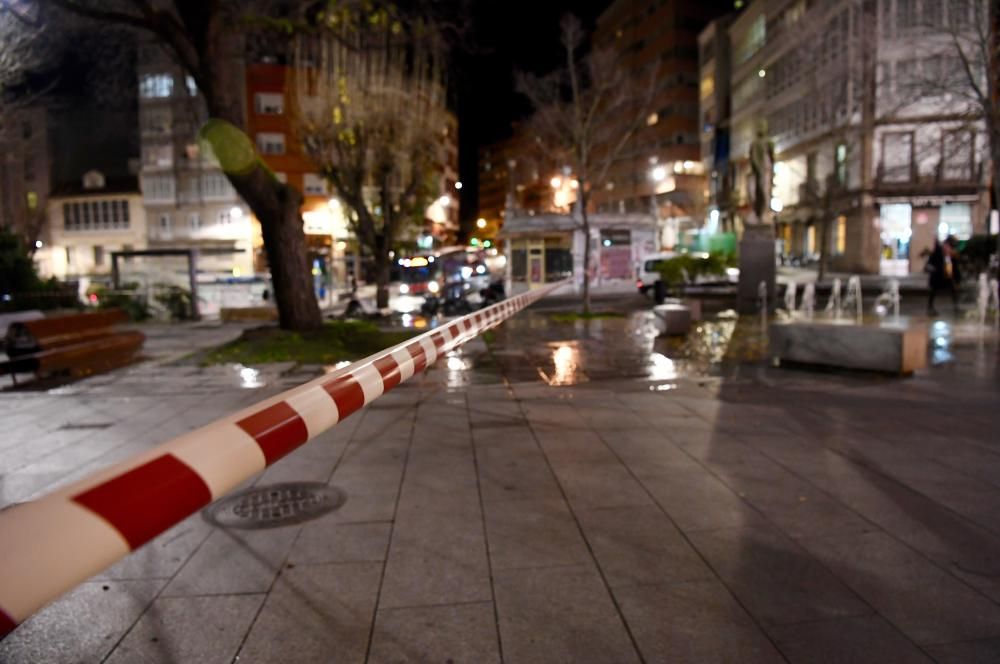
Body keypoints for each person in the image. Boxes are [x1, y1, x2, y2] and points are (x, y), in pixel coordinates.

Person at [926, 236, 962, 315]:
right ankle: (930, 307)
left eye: (951, 248)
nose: (949, 249)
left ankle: (956, 306)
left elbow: (955, 269)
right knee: (933, 290)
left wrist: (957, 279)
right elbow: (929, 264)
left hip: (948, 277)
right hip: (937, 276)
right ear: (945, 245)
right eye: (948, 246)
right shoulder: (937, 252)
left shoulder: (952, 255)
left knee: (953, 289)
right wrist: (933, 269)